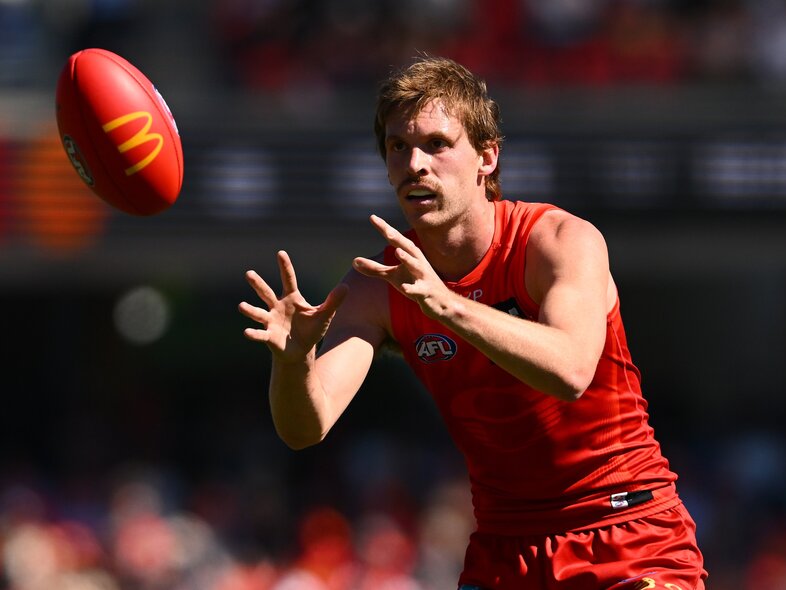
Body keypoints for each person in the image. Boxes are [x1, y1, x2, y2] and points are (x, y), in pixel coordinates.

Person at [239, 55, 708, 590]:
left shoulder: (557, 241)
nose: (415, 163)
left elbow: (572, 369)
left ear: (486, 157)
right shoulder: (376, 284)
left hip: (626, 530)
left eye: (437, 145)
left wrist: (448, 304)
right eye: (398, 147)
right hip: (506, 549)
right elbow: (306, 427)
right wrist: (294, 361)